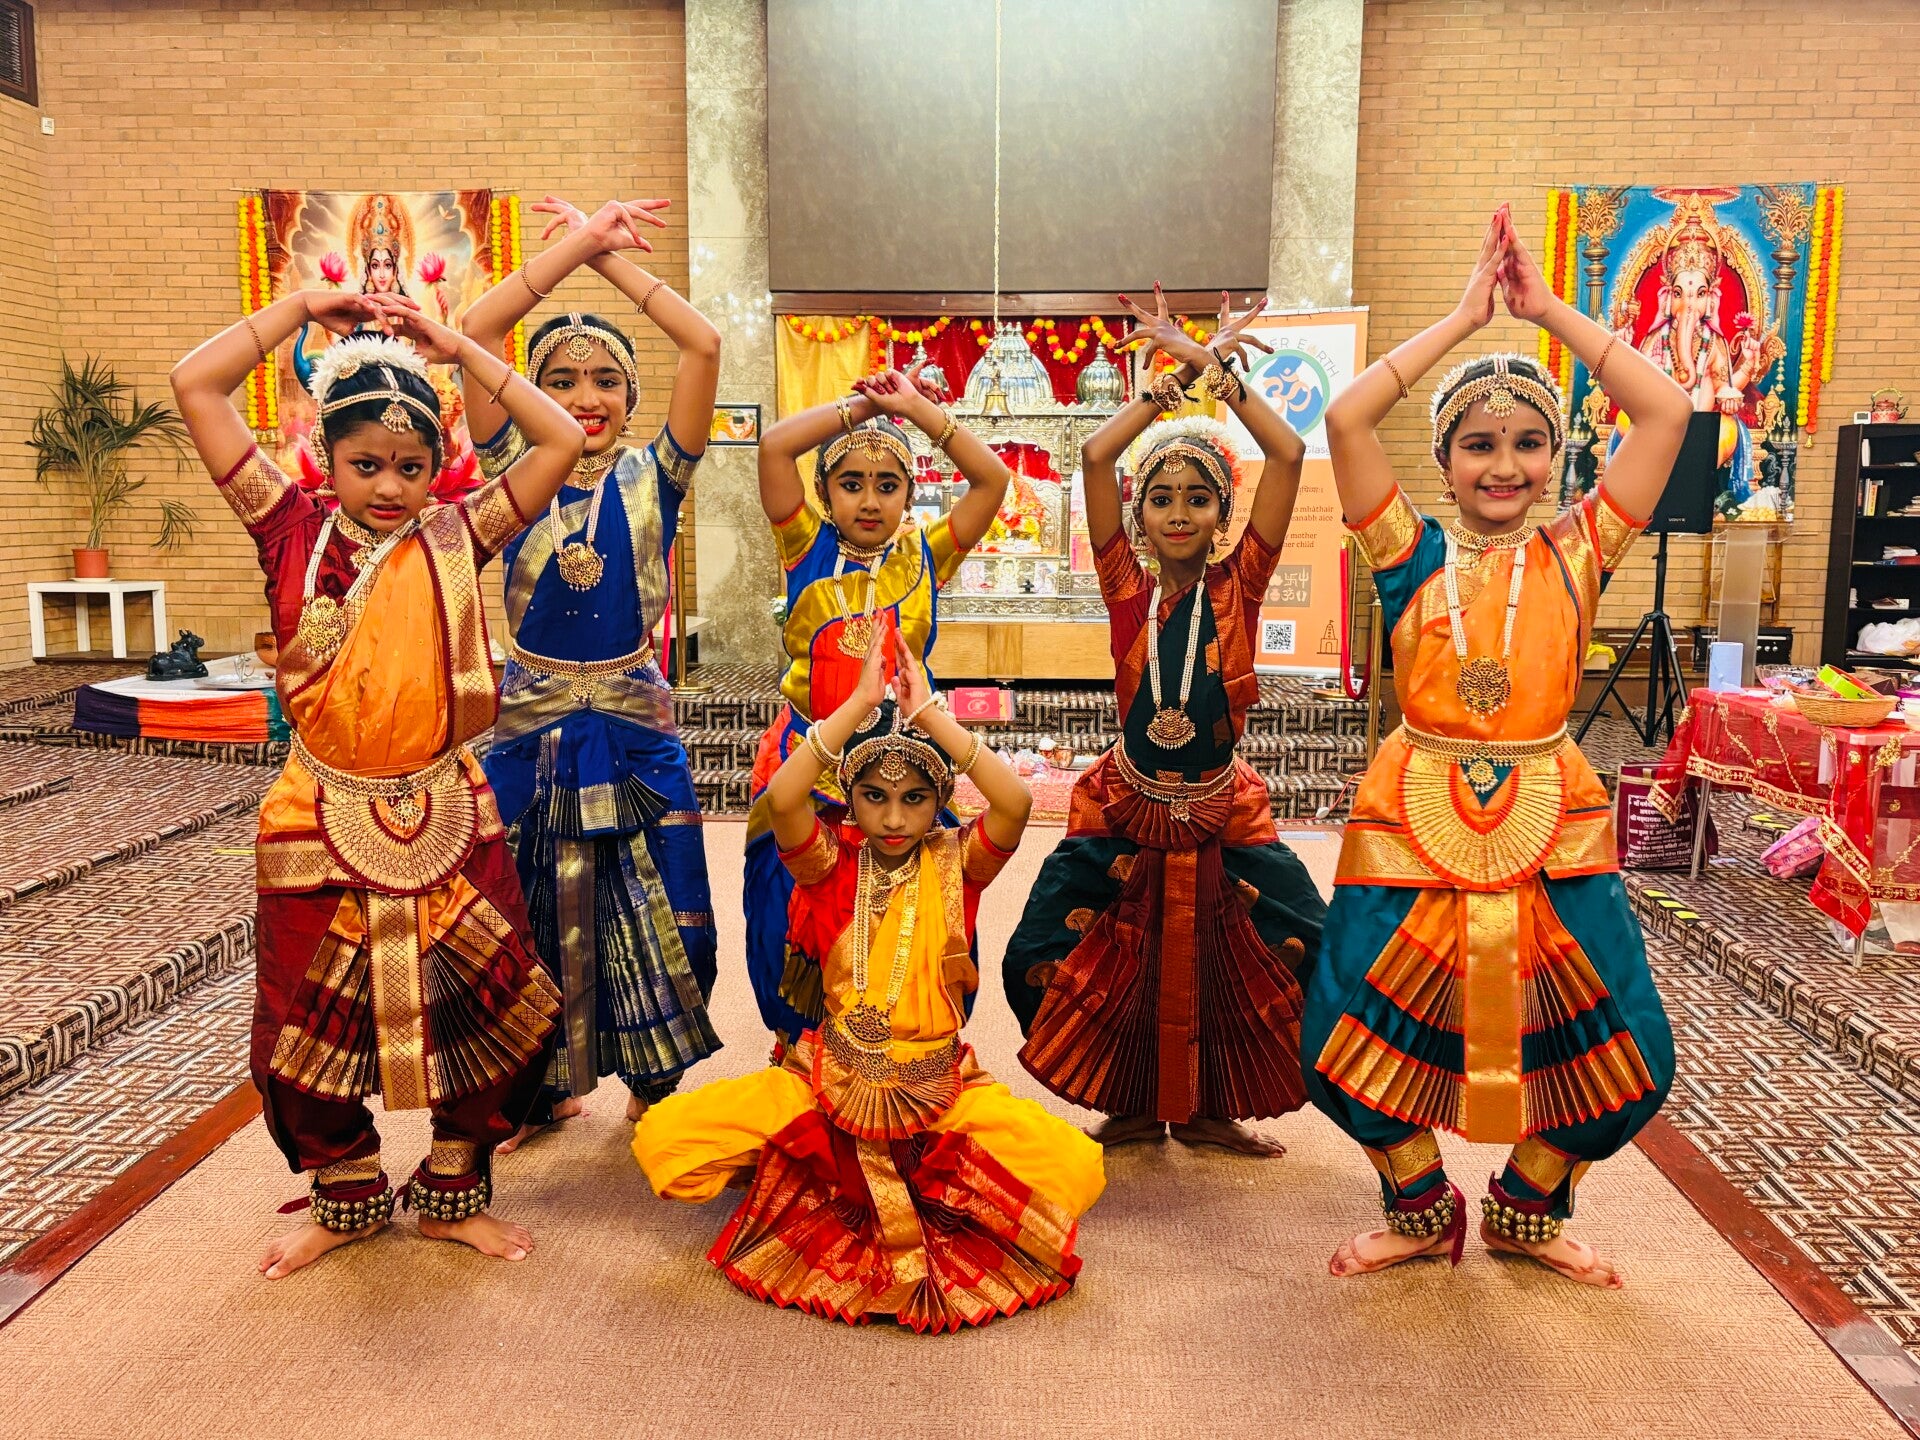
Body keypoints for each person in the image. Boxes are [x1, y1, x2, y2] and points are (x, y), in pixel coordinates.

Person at [170, 266, 599, 1278]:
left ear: (437, 466)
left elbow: (560, 442)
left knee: (499, 1006)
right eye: (366, 464)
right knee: (300, 1028)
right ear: (326, 458)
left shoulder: (458, 533)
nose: (391, 486)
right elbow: (196, 385)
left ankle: (453, 1192)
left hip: (449, 804)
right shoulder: (287, 527)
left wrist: (460, 351)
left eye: (412, 466)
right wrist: (296, 312)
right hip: (316, 809)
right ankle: (347, 1197)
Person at [1304, 205, 1692, 1286]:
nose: (1504, 464)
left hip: (1552, 811)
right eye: (1479, 444)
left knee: (1630, 1044)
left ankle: (1530, 1204)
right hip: (1410, 808)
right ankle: (1419, 1207)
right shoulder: (1406, 551)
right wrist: (1464, 320)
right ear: (1444, 460)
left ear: (1557, 457)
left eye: (1528, 443)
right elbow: (1344, 418)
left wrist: (1546, 311)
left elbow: (1666, 411)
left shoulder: (1583, 549)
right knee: (1339, 1030)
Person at [633, 624, 1104, 1331]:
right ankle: (823, 1167)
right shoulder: (829, 867)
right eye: (875, 797)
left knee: (1077, 1172)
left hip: (940, 1091)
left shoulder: (959, 864)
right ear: (848, 801)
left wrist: (928, 714)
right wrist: (856, 706)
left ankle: (862, 1176)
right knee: (665, 1146)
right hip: (828, 1083)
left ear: (938, 804)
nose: (893, 817)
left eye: (914, 799)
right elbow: (784, 801)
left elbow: (1014, 804)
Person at [1003, 289, 1327, 1155]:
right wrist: (1167, 386)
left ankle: (1213, 1109)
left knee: (1295, 945)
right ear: (1139, 516)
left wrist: (1217, 374)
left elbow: (1288, 453)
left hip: (1223, 804)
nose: (1179, 512)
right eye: (1160, 498)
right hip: (1126, 800)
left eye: (1197, 498)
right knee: (1049, 952)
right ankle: (1136, 1104)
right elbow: (1095, 456)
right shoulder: (1125, 588)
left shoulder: (1241, 584)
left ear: (1223, 514)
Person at [457, 197, 725, 1148]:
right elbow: (477, 328)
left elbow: (703, 345)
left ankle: (656, 1083)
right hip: (528, 728)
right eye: (562, 380)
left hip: (635, 725)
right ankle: (542, 1092)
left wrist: (610, 259)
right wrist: (575, 245)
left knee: (667, 908)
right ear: (528, 394)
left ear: (633, 396)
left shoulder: (659, 475)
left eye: (607, 379)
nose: (586, 396)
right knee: (523, 910)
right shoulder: (513, 467)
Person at [742, 363, 1013, 1047]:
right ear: (824, 492)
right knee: (787, 917)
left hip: (904, 770)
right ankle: (800, 1047)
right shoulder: (804, 545)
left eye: (887, 485)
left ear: (909, 494)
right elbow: (774, 446)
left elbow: (992, 481)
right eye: (851, 483)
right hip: (808, 764)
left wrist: (916, 409)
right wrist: (863, 408)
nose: (869, 500)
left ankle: (906, 1041)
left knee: (921, 915)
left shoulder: (928, 555)